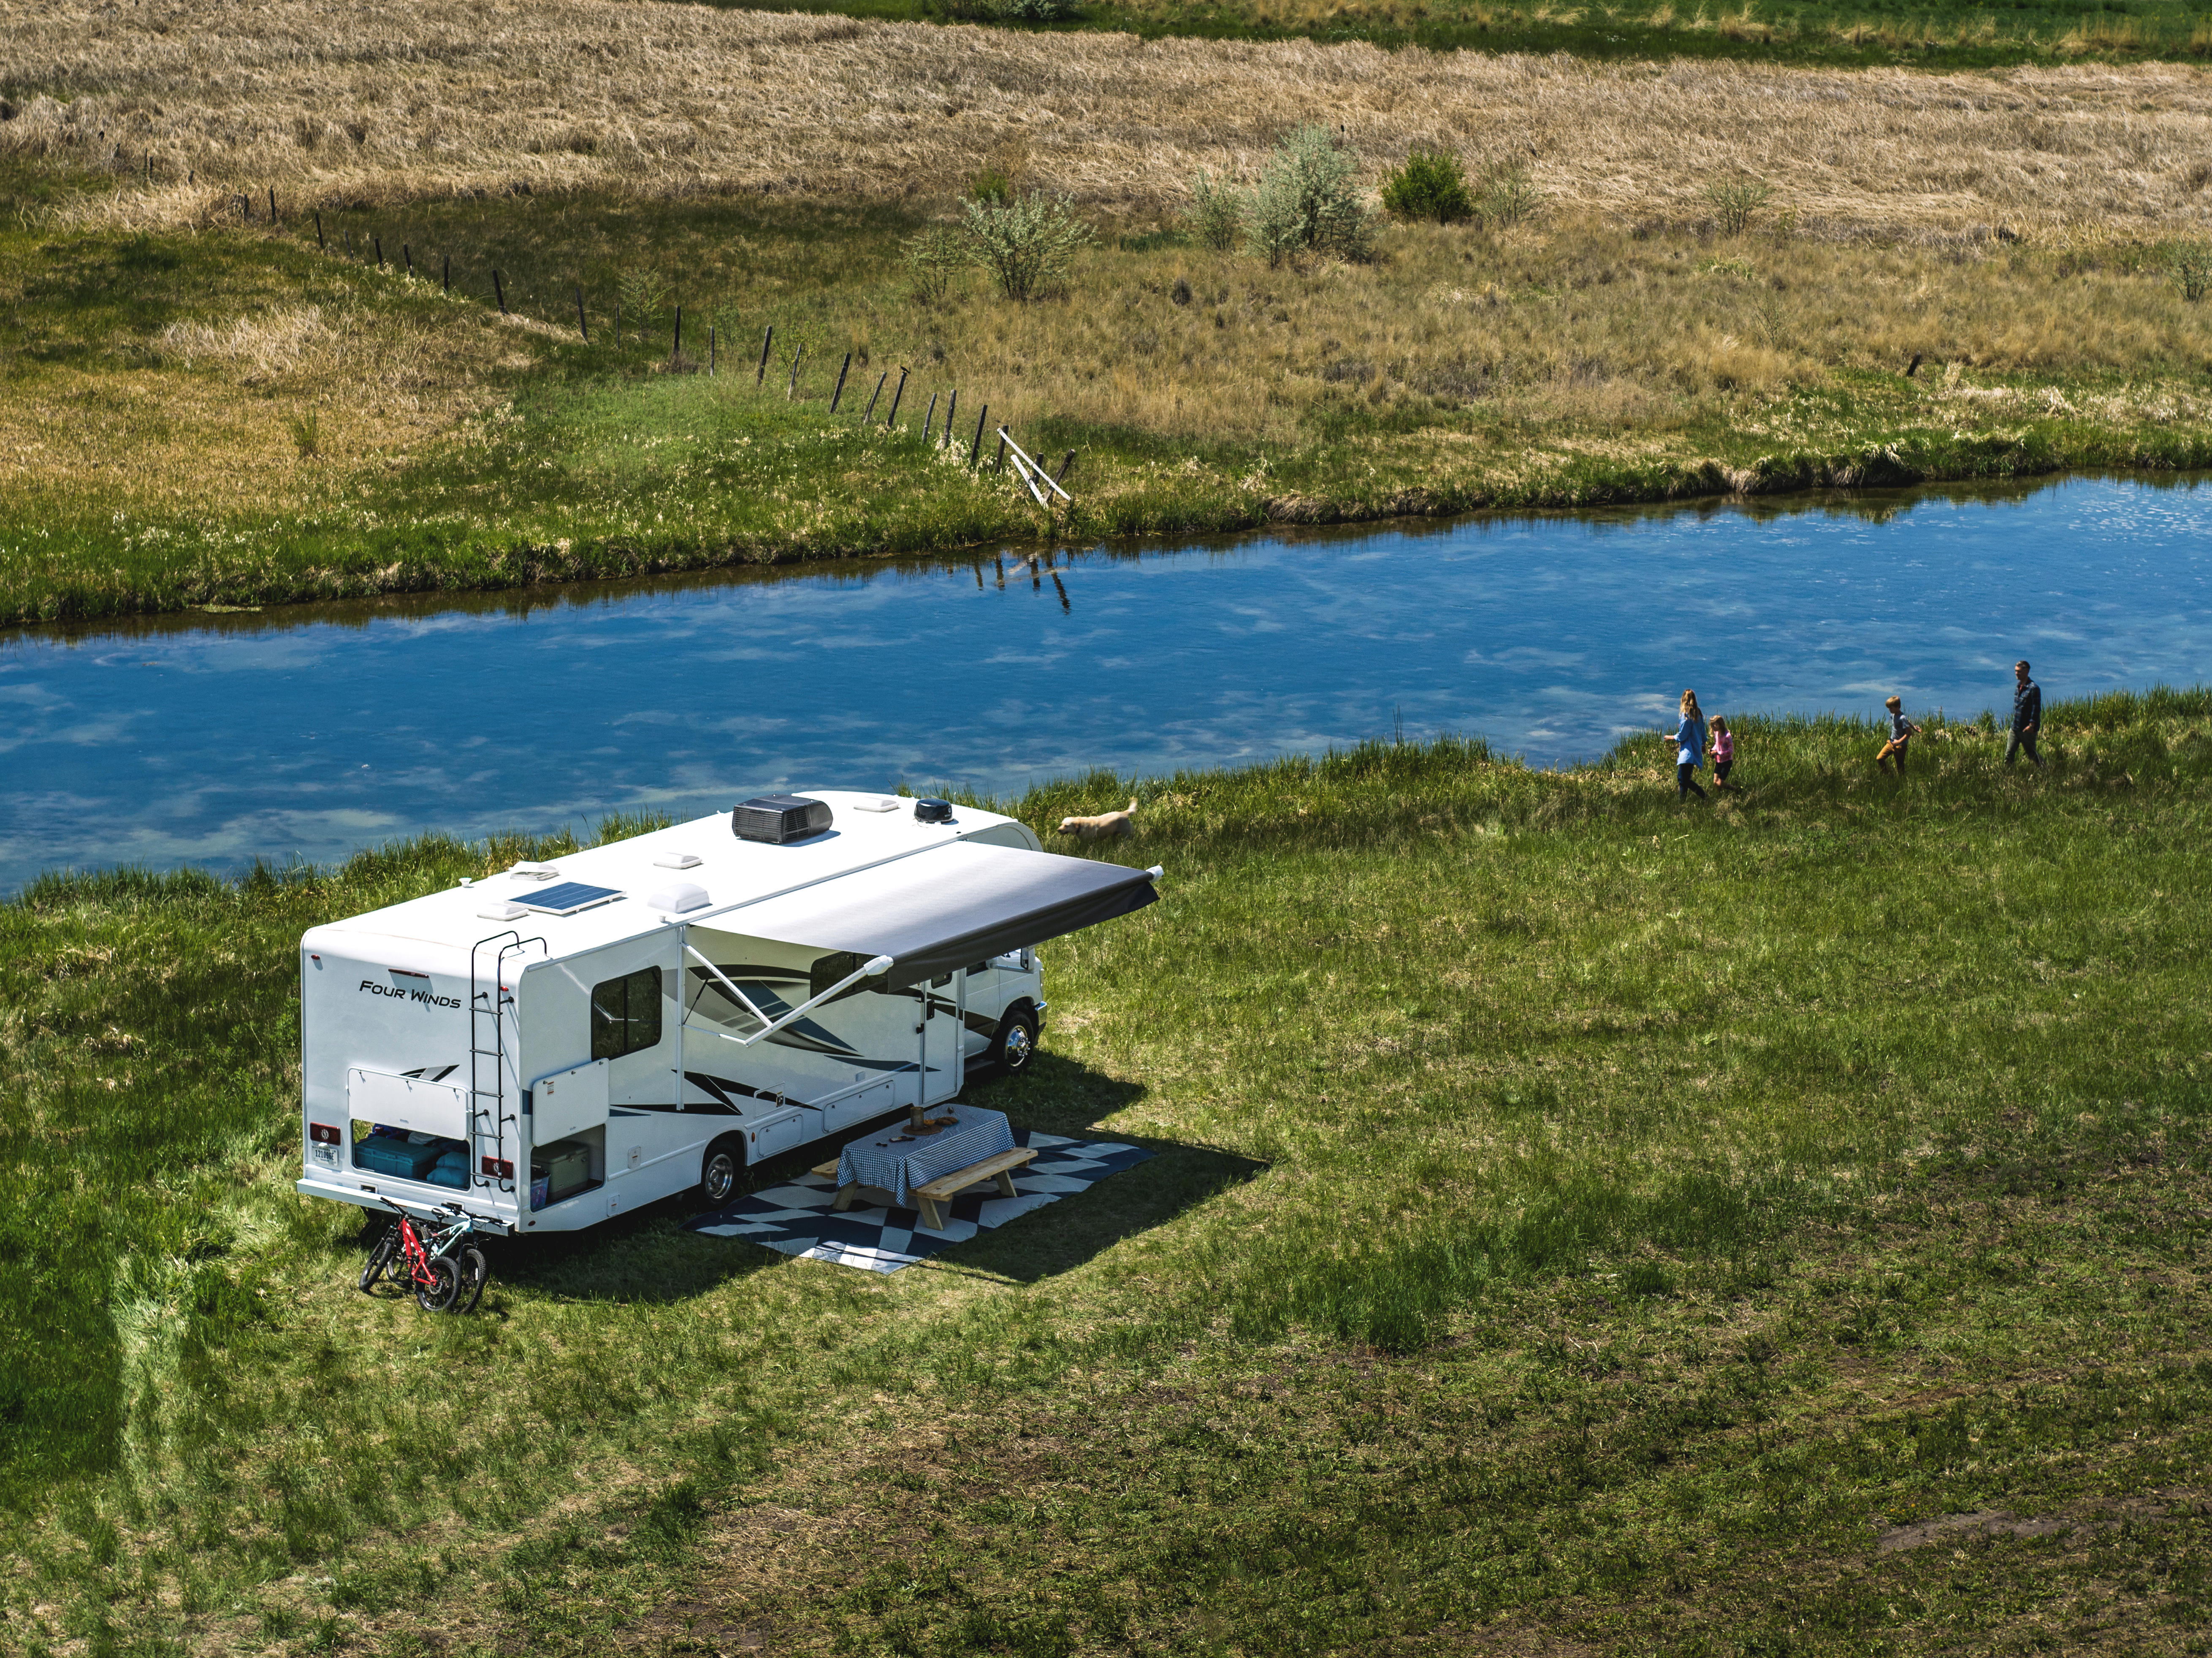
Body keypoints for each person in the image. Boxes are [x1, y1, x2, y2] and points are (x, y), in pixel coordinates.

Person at [1669, 689, 1708, 802]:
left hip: (1687, 752)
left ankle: (1703, 796)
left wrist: (1672, 737)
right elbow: (1703, 732)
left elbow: (1683, 735)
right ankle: (1684, 802)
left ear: (1683, 700)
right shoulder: (1698, 714)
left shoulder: (1686, 715)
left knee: (1682, 779)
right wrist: (1703, 744)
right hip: (1695, 750)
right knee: (1685, 779)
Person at [2006, 660, 2044, 769]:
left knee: (2031, 753)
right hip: (2015, 727)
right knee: (2009, 754)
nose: (2016, 674)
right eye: (2016, 671)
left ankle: (2044, 769)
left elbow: (2036, 708)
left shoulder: (2034, 688)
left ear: (2027, 672)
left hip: (2027, 729)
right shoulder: (2018, 686)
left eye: (2019, 671)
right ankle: (2007, 774)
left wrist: (2032, 725)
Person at [1876, 696, 1920, 776]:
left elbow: (1909, 733)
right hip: (1891, 743)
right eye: (1889, 708)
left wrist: (1899, 742)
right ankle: (1887, 775)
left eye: (1891, 708)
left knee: (1900, 768)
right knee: (1880, 758)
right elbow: (1907, 722)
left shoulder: (1902, 718)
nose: (1890, 710)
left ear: (1898, 707)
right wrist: (1914, 727)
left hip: (1901, 746)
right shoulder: (1893, 715)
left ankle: (1901, 781)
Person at [1710, 715, 1736, 790]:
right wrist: (1712, 750)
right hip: (1719, 761)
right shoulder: (1717, 733)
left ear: (1720, 724)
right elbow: (1717, 744)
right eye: (1712, 725)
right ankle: (1718, 795)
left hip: (1727, 762)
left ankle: (1735, 790)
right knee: (1715, 782)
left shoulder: (1727, 736)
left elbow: (1731, 751)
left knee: (1720, 783)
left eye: (1715, 725)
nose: (1713, 727)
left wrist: (1718, 753)